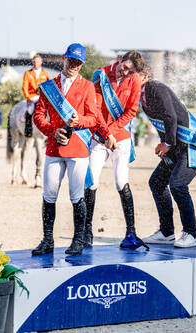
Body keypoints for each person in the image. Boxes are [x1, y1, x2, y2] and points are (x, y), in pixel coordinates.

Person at [31, 43, 116, 257]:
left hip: (78, 149)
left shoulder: (87, 86)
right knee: (49, 194)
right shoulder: (48, 86)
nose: (74, 65)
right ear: (64, 58)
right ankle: (47, 240)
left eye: (78, 63)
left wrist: (79, 121)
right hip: (54, 148)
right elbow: (39, 116)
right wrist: (53, 131)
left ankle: (78, 240)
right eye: (71, 61)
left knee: (76, 195)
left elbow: (94, 118)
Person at [138, 66, 196, 248]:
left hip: (192, 143)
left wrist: (167, 144)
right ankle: (166, 232)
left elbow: (171, 117)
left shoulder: (155, 87)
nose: (126, 77)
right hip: (176, 145)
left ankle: (190, 233)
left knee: (178, 185)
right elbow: (162, 122)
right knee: (156, 182)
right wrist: (163, 142)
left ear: (145, 75)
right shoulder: (141, 95)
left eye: (130, 73)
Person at [83, 50, 145, 249]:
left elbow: (131, 111)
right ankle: (86, 231)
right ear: (120, 60)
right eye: (124, 67)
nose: (125, 73)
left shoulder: (134, 80)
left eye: (130, 71)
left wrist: (113, 131)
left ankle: (131, 232)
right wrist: (105, 133)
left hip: (121, 140)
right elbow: (95, 109)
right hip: (100, 138)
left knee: (121, 182)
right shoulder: (100, 74)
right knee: (91, 181)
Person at [22, 54, 50, 137]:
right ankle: (28, 130)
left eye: (37, 62)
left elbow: (50, 85)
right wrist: (27, 97)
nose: (35, 63)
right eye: (34, 62)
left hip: (43, 96)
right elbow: (24, 86)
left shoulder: (45, 73)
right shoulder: (28, 73)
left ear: (41, 62)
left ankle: (50, 129)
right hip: (32, 96)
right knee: (30, 110)